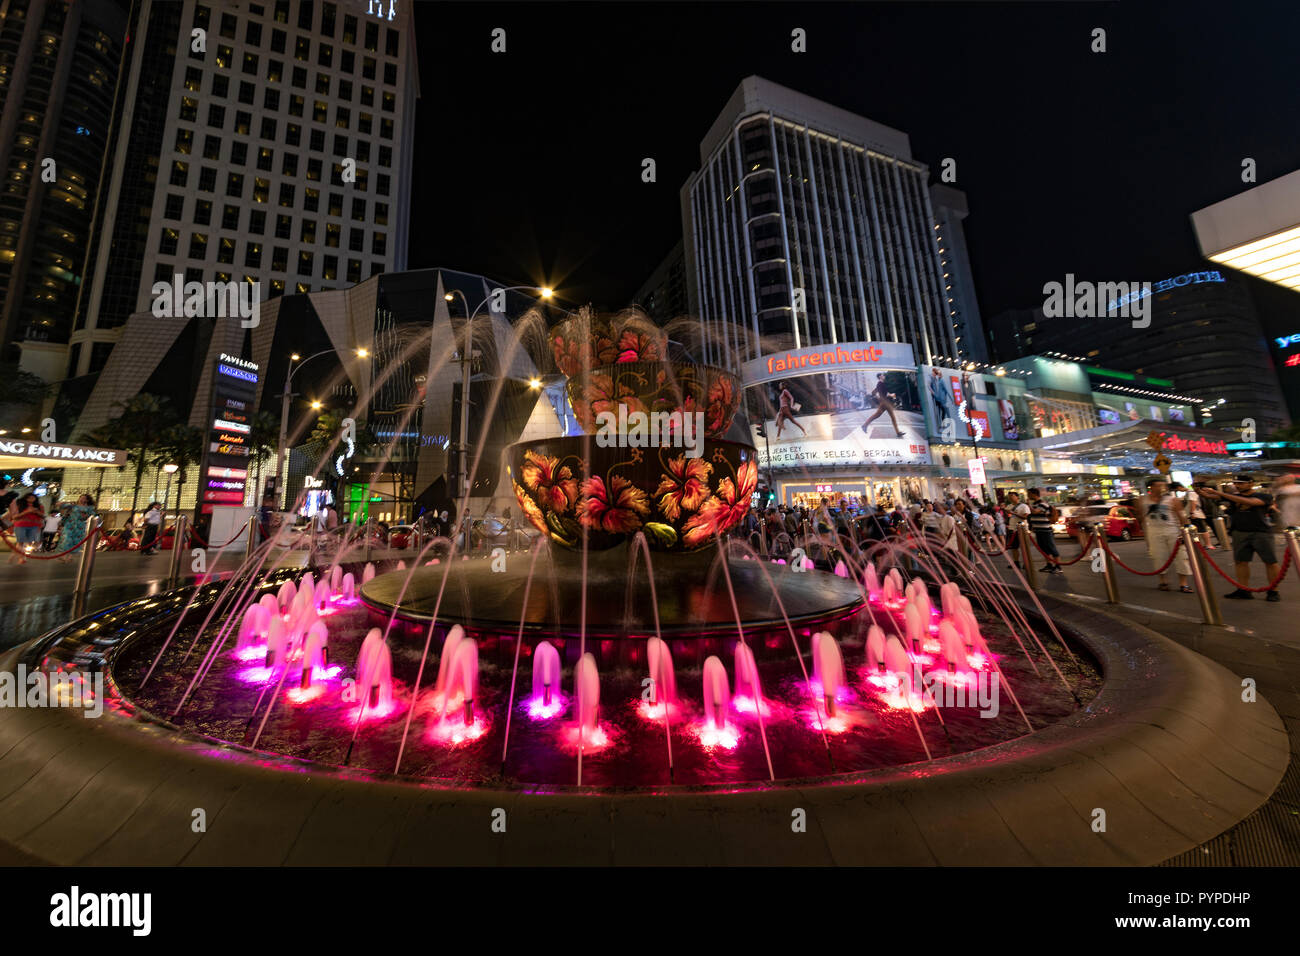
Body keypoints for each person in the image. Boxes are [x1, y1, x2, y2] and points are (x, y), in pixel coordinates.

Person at [1199, 473, 1280, 602]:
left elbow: (1249, 502)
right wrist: (1198, 486)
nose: (1238, 486)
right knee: (1241, 562)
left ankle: (1273, 591)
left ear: (1251, 483)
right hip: (1240, 532)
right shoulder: (1234, 497)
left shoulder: (1264, 496)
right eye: (1236, 483)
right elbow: (1207, 495)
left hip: (1261, 532)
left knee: (1270, 562)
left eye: (1241, 483)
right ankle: (1243, 590)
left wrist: (1220, 493)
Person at [1140, 477, 1192, 593]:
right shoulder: (1143, 500)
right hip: (1154, 531)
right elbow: (1141, 517)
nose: (1161, 488)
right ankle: (1163, 581)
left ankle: (1183, 584)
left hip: (1173, 530)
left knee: (1181, 557)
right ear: (1151, 487)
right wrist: (1146, 536)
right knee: (1159, 556)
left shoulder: (1173, 500)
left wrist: (1185, 533)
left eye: (1163, 485)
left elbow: (1182, 517)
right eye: (1158, 485)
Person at [1026, 488, 1062, 574]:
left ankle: (1058, 566)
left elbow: (1035, 512)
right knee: (1043, 549)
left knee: (1052, 548)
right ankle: (1049, 565)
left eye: (1029, 494)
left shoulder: (1042, 504)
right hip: (1038, 530)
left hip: (1046, 530)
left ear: (1034, 494)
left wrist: (1028, 505)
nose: (1028, 496)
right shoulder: (1035, 504)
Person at [860, 373, 906, 438]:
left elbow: (877, 392)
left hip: (884, 403)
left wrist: (887, 395)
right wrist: (891, 395)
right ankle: (898, 432)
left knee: (878, 415)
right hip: (885, 403)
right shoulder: (880, 384)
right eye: (882, 375)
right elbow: (883, 394)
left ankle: (864, 425)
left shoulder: (881, 384)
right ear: (880, 377)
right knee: (889, 417)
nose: (884, 376)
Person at [7, 493, 44, 564]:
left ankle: (15, 556)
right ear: (25, 498)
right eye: (29, 497)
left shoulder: (40, 506)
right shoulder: (20, 506)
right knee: (20, 542)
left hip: (34, 526)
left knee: (29, 543)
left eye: (33, 497)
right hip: (21, 525)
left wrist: (36, 512)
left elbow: (42, 516)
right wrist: (27, 512)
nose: (31, 499)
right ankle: (21, 558)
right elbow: (14, 517)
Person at [1005, 491, 1031, 569]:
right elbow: (1009, 516)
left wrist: (1013, 513)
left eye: (1012, 496)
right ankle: (1016, 563)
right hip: (1012, 529)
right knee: (1014, 547)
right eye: (1009, 496)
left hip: (1022, 529)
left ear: (1017, 497)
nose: (1010, 498)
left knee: (1024, 547)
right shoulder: (1009, 506)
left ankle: (1026, 563)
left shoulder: (1024, 506)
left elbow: (1025, 517)